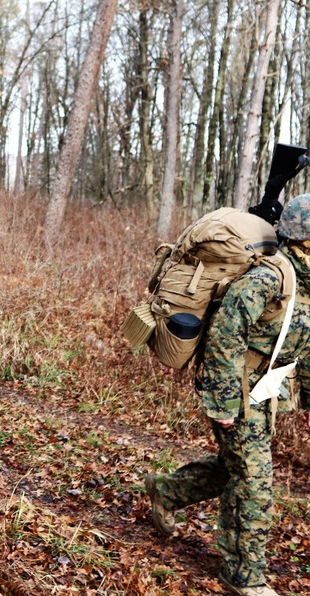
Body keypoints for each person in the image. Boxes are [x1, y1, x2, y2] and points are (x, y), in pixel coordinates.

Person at [145, 194, 310, 596]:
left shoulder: (306, 284)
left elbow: (303, 343)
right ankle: (244, 576)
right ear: (305, 239)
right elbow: (224, 333)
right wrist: (222, 401)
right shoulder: (270, 277)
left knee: (231, 468)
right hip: (235, 389)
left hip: (263, 392)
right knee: (255, 481)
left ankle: (165, 490)